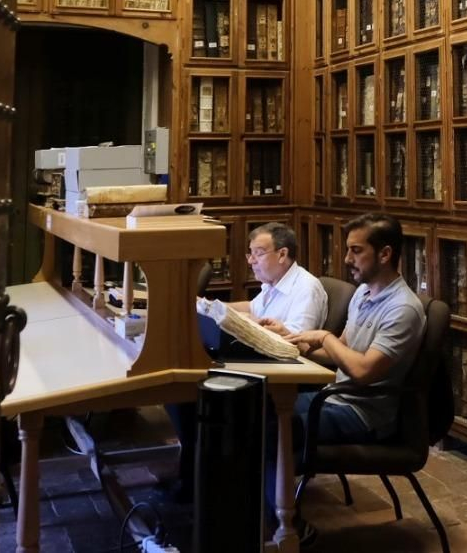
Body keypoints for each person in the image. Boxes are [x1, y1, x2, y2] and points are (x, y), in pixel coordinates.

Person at [275, 213, 426, 542]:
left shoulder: (403, 309)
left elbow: (362, 371)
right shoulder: (364, 293)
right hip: (335, 397)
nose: (347, 259)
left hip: (364, 413)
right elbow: (339, 353)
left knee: (274, 429)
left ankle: (289, 530)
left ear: (385, 254)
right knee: (258, 407)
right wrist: (292, 342)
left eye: (356, 251)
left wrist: (323, 337)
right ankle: (259, 517)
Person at [171, 221, 325, 500]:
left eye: (258, 253)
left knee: (202, 395)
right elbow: (252, 308)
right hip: (261, 363)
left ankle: (209, 483)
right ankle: (197, 476)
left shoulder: (306, 288)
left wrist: (265, 329)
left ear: (282, 254)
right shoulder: (273, 282)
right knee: (181, 393)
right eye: (250, 253)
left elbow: (296, 345)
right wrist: (212, 307)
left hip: (288, 377)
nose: (252, 261)